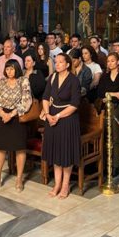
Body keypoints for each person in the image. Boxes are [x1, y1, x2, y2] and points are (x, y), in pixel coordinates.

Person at [41, 53, 81, 199]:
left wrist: (57, 116)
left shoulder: (74, 80)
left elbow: (75, 105)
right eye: (56, 62)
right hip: (51, 118)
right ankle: (57, 184)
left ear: (67, 64)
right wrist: (47, 114)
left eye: (60, 62)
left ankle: (65, 185)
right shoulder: (52, 77)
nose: (57, 64)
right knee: (55, 152)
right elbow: (45, 97)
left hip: (67, 119)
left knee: (66, 152)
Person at [0, 60, 32, 192]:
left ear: (17, 69)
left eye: (12, 69)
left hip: (17, 117)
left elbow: (27, 101)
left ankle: (19, 179)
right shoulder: (1, 82)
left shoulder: (23, 81)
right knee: (0, 148)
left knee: (20, 148)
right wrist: (3, 113)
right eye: (7, 69)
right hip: (2, 116)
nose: (9, 72)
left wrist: (11, 114)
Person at [96, 52, 119, 175]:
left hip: (118, 109)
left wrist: (108, 95)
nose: (110, 63)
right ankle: (105, 163)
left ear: (118, 62)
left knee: (115, 136)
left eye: (112, 61)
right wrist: (113, 94)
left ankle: (116, 164)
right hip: (105, 108)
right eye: (108, 61)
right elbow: (100, 93)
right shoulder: (104, 76)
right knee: (105, 136)